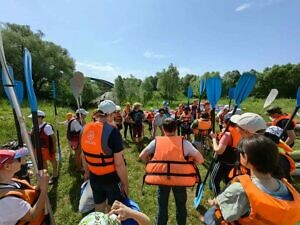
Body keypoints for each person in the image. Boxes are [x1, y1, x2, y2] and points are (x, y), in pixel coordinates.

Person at [203, 135, 300, 225]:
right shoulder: (287, 187)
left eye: (240, 152)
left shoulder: (240, 189)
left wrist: (215, 202)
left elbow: (228, 216)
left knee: (210, 214)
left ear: (245, 158)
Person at [139, 118, 204, 225]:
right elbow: (201, 160)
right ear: (176, 128)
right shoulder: (185, 143)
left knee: (162, 205)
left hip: (162, 178)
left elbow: (142, 156)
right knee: (181, 205)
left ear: (163, 129)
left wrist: (150, 163)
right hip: (180, 179)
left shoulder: (156, 142)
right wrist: (189, 165)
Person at [81, 100, 129, 212]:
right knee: (114, 208)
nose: (116, 115)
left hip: (94, 176)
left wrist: (87, 172)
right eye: (115, 113)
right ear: (110, 115)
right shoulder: (113, 132)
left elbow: (83, 156)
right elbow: (119, 163)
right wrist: (125, 183)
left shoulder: (85, 128)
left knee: (99, 204)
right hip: (111, 178)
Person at [0, 147, 49, 225]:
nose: (23, 159)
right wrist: (44, 189)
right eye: (18, 158)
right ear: (7, 166)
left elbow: (26, 193)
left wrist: (40, 184)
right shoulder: (7, 201)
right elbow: (32, 215)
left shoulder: (8, 181)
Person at [29, 110, 58, 185]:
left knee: (52, 160)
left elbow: (53, 137)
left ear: (40, 118)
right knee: (43, 162)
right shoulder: (34, 126)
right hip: (38, 148)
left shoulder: (47, 127)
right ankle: (46, 176)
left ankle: (55, 175)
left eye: (34, 118)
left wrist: (54, 147)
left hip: (47, 148)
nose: (32, 120)